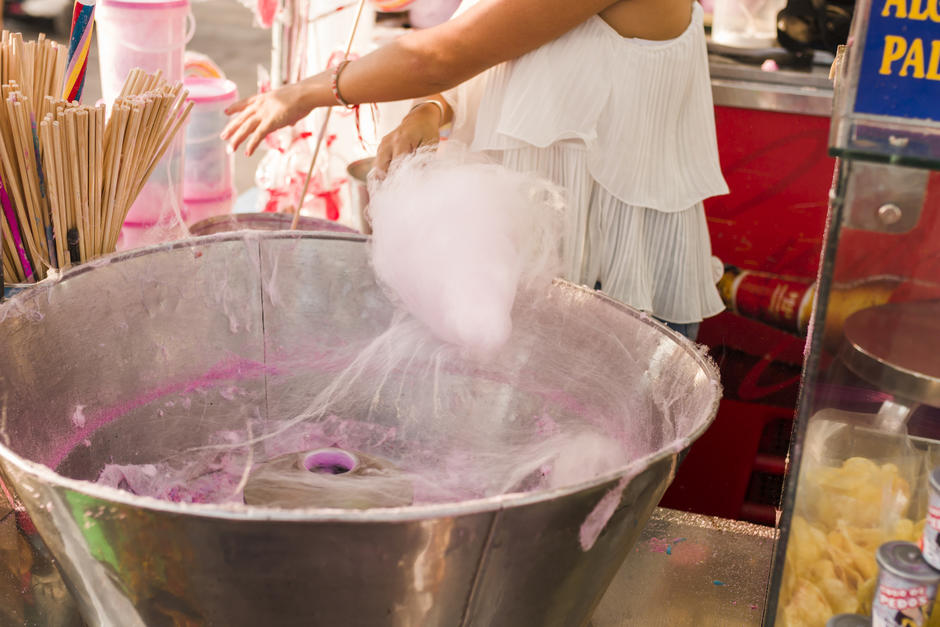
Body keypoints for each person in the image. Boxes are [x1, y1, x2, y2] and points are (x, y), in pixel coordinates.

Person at [222, 0, 728, 340]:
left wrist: (307, 92)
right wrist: (432, 110)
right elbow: (498, 52)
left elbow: (445, 55)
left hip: (608, 281)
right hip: (528, 270)